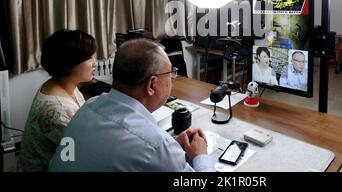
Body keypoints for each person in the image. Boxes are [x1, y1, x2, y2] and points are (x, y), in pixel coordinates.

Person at [49, 39, 215, 172]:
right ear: (152, 85)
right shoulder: (156, 145)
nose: (172, 78)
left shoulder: (89, 106)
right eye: (170, 73)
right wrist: (199, 155)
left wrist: (171, 149)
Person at [17, 29, 97, 171]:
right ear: (68, 64)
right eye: (89, 58)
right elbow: (83, 154)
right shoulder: (58, 109)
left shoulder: (61, 83)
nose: (94, 63)